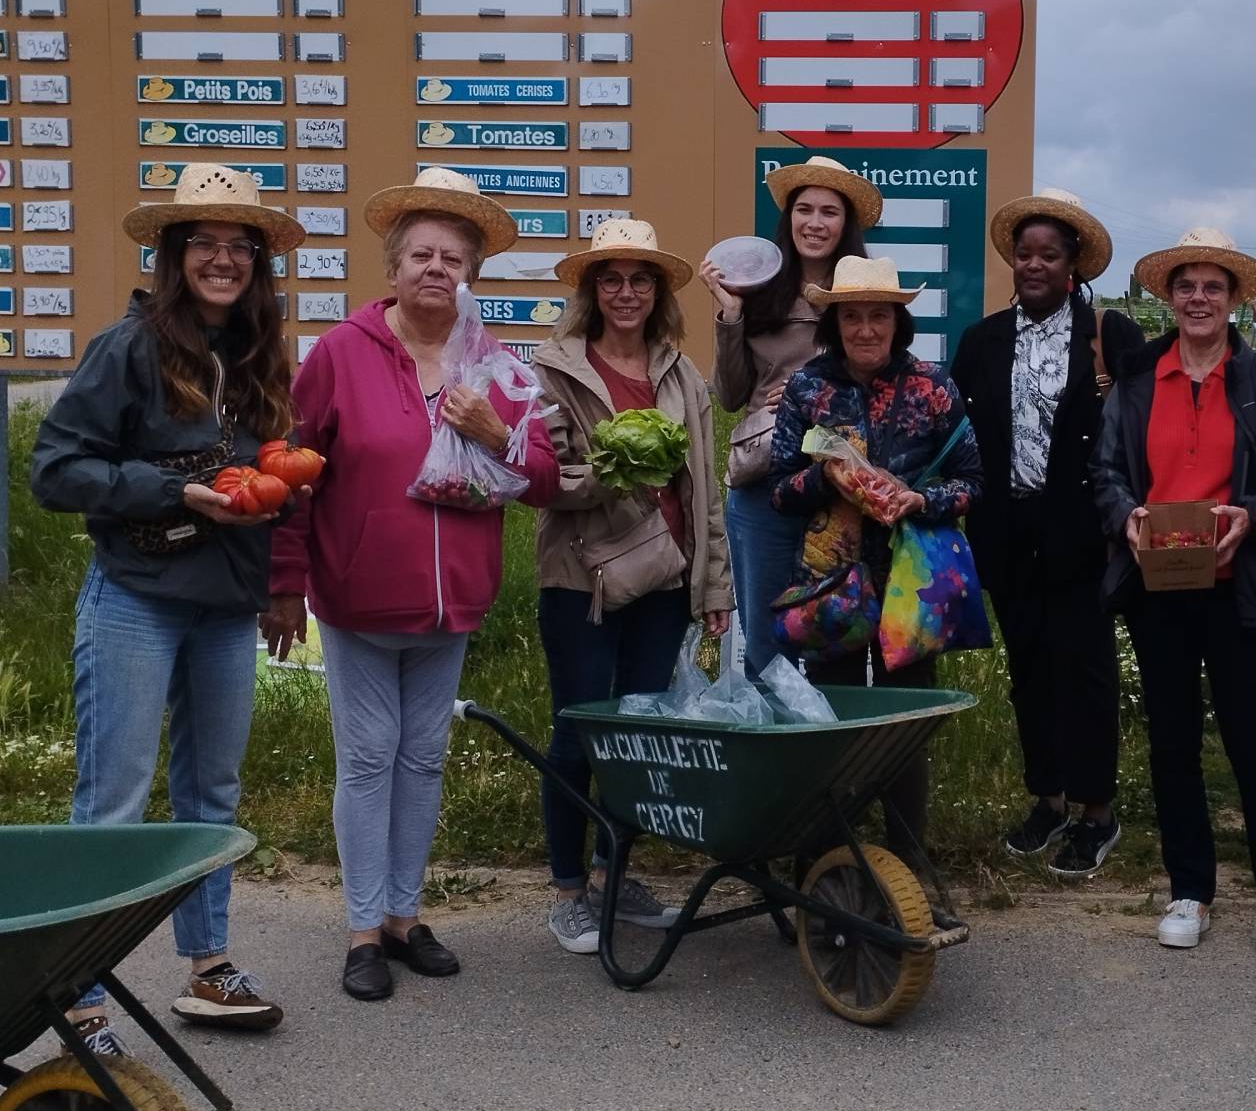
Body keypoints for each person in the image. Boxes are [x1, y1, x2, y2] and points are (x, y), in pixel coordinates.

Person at [262, 167, 558, 1002]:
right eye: (421, 254)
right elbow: (292, 473)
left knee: (423, 760)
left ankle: (403, 915)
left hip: (451, 604)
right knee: (367, 758)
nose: (436, 268)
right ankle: (362, 931)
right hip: (358, 600)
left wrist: (495, 432)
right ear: (392, 268)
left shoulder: (495, 364)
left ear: (472, 276)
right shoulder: (342, 354)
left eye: (452, 258)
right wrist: (285, 582)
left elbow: (541, 480)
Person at [31, 165, 307, 1052]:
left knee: (211, 795)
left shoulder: (261, 355)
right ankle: (77, 999)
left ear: (258, 264)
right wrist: (170, 491)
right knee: (112, 803)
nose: (223, 259)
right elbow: (55, 470)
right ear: (175, 254)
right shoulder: (129, 347)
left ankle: (208, 967)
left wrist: (279, 503)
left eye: (240, 246)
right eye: (205, 243)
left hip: (223, 607)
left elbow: (267, 469)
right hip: (136, 599)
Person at [1089, 228, 1256, 952]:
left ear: (1234, 299)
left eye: (1212, 287)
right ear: (1167, 297)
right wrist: (1126, 516)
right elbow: (1105, 474)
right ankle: (1189, 889)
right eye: (1185, 286)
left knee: (1252, 741)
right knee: (1173, 742)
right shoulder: (1136, 382)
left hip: (1241, 587)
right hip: (1159, 586)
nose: (1198, 298)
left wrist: (1253, 517)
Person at [532, 218, 733, 955]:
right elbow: (543, 480)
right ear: (592, 291)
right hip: (582, 577)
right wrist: (614, 470)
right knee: (580, 729)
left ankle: (612, 873)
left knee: (640, 731)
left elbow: (705, 489)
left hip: (667, 576)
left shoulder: (681, 374)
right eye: (611, 280)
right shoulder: (553, 369)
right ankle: (566, 892)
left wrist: (715, 586)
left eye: (639, 280)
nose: (626, 293)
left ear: (657, 292)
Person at [950, 189, 1144, 876]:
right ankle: (1049, 800)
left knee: (1084, 669)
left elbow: (1140, 426)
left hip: (1082, 529)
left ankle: (1097, 812)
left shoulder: (1107, 335)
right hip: (1006, 529)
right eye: (1024, 253)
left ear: (1073, 265)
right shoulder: (981, 341)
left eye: (1049, 255)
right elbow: (956, 432)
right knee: (1029, 668)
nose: (1034, 265)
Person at [766, 255, 982, 858]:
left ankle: (906, 864)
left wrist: (921, 500)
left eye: (879, 316)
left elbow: (973, 481)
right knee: (830, 723)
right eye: (852, 317)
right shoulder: (808, 388)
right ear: (834, 324)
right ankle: (826, 865)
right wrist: (827, 479)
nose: (865, 329)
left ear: (897, 322)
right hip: (831, 587)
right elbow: (779, 490)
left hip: (912, 585)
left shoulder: (932, 386)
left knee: (904, 729)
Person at [700, 156, 879, 677]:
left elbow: (885, 383)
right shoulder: (756, 291)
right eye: (804, 210)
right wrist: (731, 314)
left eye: (829, 212)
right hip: (763, 487)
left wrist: (812, 397)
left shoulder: (865, 292)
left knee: (837, 639)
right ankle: (770, 731)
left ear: (846, 224)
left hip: (841, 489)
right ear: (788, 218)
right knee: (766, 643)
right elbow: (730, 395)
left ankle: (833, 733)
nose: (815, 223)